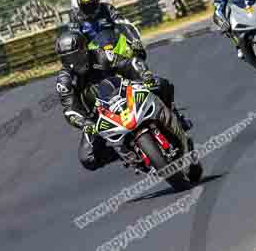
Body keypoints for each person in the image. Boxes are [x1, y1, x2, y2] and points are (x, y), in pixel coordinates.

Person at [55, 30, 192, 172]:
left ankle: (175, 117)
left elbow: (129, 63)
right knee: (87, 158)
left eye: (74, 57)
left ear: (84, 49)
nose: (71, 63)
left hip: (126, 93)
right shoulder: (64, 81)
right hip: (98, 116)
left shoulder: (101, 55)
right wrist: (85, 123)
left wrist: (144, 76)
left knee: (161, 84)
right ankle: (127, 153)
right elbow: (69, 109)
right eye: (66, 59)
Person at [69, 0, 147, 59]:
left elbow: (124, 24)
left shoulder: (107, 9)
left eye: (92, 5)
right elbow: (72, 38)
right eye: (85, 7)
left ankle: (144, 73)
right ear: (80, 7)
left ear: (97, 2)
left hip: (116, 46)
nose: (89, 9)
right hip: (93, 54)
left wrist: (134, 40)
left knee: (136, 56)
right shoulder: (76, 17)